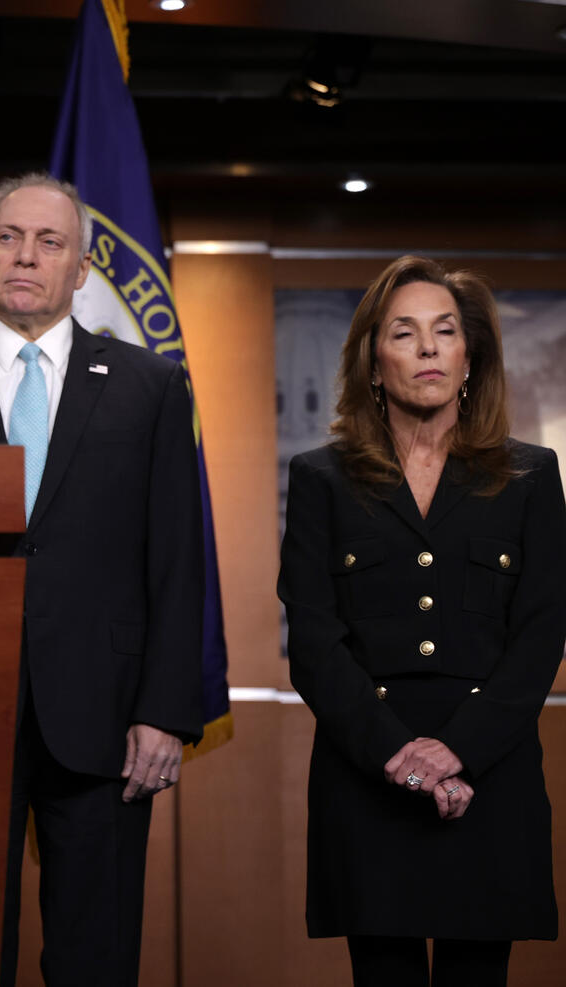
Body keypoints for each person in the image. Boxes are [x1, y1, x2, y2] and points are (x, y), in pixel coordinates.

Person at [0, 173, 205, 985]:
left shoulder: (150, 387)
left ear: (81, 267)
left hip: (108, 718)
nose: (26, 256)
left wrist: (163, 712)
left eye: (50, 242)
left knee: (96, 956)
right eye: (9, 237)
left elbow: (178, 562)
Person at [279, 255, 564, 987]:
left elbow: (541, 634)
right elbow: (313, 642)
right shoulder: (322, 479)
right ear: (375, 360)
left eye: (445, 330)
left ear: (470, 357)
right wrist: (403, 757)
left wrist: (457, 753)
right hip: (368, 776)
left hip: (490, 776)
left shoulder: (531, 477)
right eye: (405, 332)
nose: (429, 347)